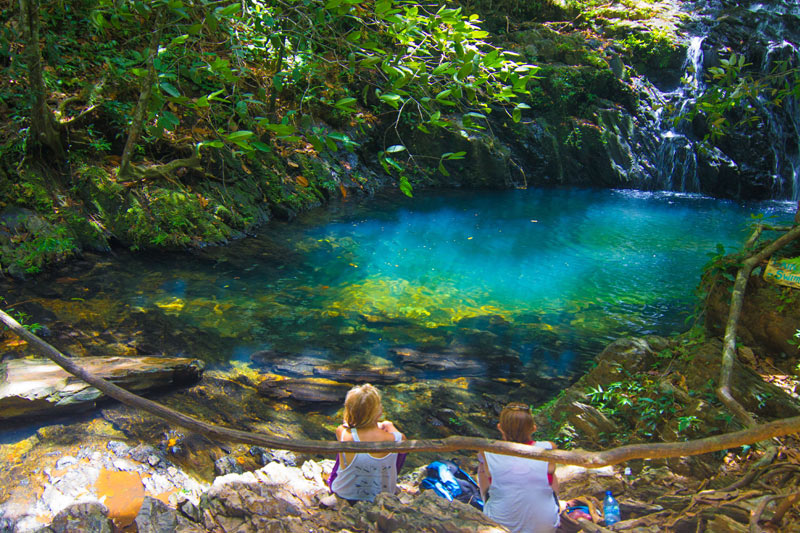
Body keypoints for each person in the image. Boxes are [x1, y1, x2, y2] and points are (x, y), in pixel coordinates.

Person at [476, 402, 560, 533]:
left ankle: (487, 502)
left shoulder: (487, 451)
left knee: (482, 468)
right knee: (550, 471)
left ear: (500, 427)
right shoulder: (548, 448)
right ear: (533, 428)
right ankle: (551, 504)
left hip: (501, 524)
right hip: (545, 526)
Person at [328, 384, 406, 502]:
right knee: (400, 451)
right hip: (381, 498)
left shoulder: (343, 433)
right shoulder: (398, 438)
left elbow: (347, 424)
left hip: (344, 494)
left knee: (343, 451)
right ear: (378, 412)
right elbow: (401, 441)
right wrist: (390, 426)